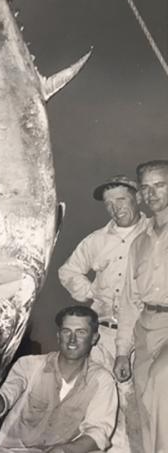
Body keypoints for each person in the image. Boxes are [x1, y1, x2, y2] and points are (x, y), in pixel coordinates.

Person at [58, 175, 148, 452]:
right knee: (103, 402)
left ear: (138, 198)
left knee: (144, 403)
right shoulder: (96, 240)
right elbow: (68, 271)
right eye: (109, 204)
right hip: (105, 334)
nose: (115, 208)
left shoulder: (156, 233)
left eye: (121, 199)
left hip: (145, 333)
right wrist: (89, 293)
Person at [0, 305, 118, 453]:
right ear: (58, 335)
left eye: (81, 332)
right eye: (67, 331)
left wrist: (64, 450)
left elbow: (98, 433)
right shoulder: (29, 365)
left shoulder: (102, 380)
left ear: (94, 338)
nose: (72, 339)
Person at [114, 160, 168, 453]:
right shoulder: (139, 244)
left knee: (164, 381)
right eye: (145, 187)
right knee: (145, 402)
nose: (151, 193)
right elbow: (130, 302)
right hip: (146, 327)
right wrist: (122, 352)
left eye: (159, 185)